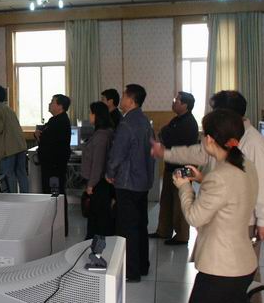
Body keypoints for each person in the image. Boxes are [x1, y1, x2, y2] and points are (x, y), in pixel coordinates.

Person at [152, 90, 264, 303]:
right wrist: (166, 153)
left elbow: (263, 184)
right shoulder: (220, 138)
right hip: (219, 214)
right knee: (230, 272)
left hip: (245, 218)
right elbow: (195, 153)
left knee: (245, 270)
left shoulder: (254, 143)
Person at [173, 109, 258, 303]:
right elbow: (229, 193)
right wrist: (202, 179)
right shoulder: (245, 165)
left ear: (209, 139)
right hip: (244, 264)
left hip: (221, 268)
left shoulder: (221, 176)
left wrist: (185, 187)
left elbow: (194, 216)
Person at [106, 84, 155, 282]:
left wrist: (110, 173)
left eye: (124, 96)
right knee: (140, 224)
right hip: (142, 182)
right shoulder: (145, 121)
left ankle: (131, 271)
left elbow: (117, 153)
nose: (122, 99)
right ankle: (142, 265)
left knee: (127, 228)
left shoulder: (126, 123)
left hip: (128, 182)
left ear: (131, 100)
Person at [149, 91, 199, 245]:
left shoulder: (189, 122)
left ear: (185, 105)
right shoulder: (176, 120)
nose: (174, 102)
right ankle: (163, 230)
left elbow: (168, 138)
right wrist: (165, 135)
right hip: (171, 166)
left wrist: (165, 134)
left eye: (177, 100)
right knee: (166, 200)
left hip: (183, 168)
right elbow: (164, 134)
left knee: (180, 201)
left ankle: (182, 236)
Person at [35, 94, 72, 235]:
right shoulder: (54, 120)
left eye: (52, 102)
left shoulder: (60, 122)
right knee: (53, 195)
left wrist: (39, 136)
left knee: (55, 195)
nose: (49, 104)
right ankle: (55, 227)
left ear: (60, 106)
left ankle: (58, 229)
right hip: (50, 166)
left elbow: (48, 142)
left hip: (54, 167)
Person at [0, 84, 29, 193]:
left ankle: (11, 199)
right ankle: (26, 197)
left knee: (8, 175)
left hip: (8, 149)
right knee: (22, 174)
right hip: (20, 146)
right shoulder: (7, 108)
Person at [82, 101, 115, 239]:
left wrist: (91, 184)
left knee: (98, 218)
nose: (89, 116)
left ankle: (96, 244)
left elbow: (98, 163)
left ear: (97, 116)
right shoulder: (104, 132)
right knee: (99, 216)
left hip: (99, 183)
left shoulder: (101, 136)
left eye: (91, 113)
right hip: (101, 182)